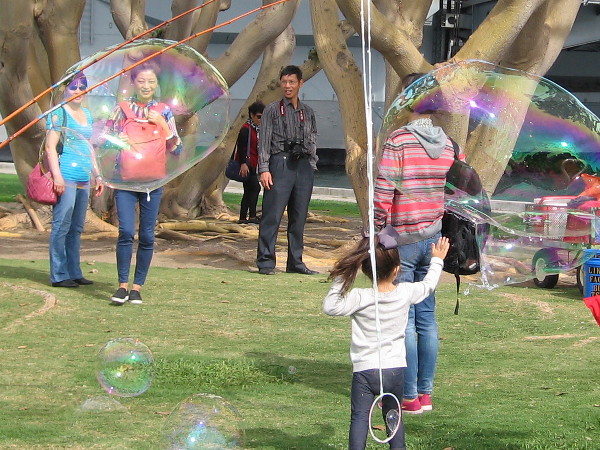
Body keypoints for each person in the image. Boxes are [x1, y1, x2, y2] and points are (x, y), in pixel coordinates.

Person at [373, 72, 464, 414]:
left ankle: (409, 395)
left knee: (406, 319)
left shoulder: (398, 141)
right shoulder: (451, 145)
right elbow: (459, 191)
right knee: (427, 317)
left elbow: (383, 194)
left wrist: (376, 231)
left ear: (409, 99)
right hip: (435, 238)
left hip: (404, 240)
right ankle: (425, 393)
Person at [323, 228, 450, 450]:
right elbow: (428, 285)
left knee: (360, 418)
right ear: (397, 270)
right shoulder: (405, 293)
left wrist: (344, 274)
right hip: (394, 370)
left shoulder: (359, 297)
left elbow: (330, 306)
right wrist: (437, 260)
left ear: (366, 271)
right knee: (394, 416)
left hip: (364, 371)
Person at [104, 61, 182, 305]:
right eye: (141, 81)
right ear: (134, 83)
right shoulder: (122, 109)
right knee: (126, 231)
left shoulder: (164, 111)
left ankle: (137, 287)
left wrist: (162, 124)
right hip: (125, 181)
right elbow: (104, 140)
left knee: (147, 236)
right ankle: (122, 286)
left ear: (156, 84)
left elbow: (177, 149)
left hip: (153, 183)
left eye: (151, 81)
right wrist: (118, 139)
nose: (146, 86)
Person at [256, 65, 318, 275]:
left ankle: (296, 262)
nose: (288, 86)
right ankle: (266, 261)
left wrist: (312, 162)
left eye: (292, 82)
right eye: (284, 82)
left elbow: (312, 139)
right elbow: (263, 141)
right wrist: (264, 169)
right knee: (272, 215)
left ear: (301, 83)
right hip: (279, 163)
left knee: (299, 216)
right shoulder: (272, 110)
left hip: (303, 166)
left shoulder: (307, 112)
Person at [46, 73, 104, 288]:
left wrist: (97, 174)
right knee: (62, 225)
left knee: (77, 227)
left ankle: (74, 271)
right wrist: (57, 176)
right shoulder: (58, 113)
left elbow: (89, 146)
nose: (79, 91)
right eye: (74, 87)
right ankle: (59, 275)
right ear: (65, 90)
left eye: (83, 87)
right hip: (66, 177)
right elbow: (51, 147)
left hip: (83, 177)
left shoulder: (87, 114)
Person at [235, 100, 265, 224]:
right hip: (247, 164)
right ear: (252, 115)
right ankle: (251, 216)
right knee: (255, 188)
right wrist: (243, 163)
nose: (260, 120)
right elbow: (241, 147)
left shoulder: (255, 129)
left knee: (248, 190)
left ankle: (243, 217)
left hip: (252, 163)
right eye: (258, 117)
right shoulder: (246, 129)